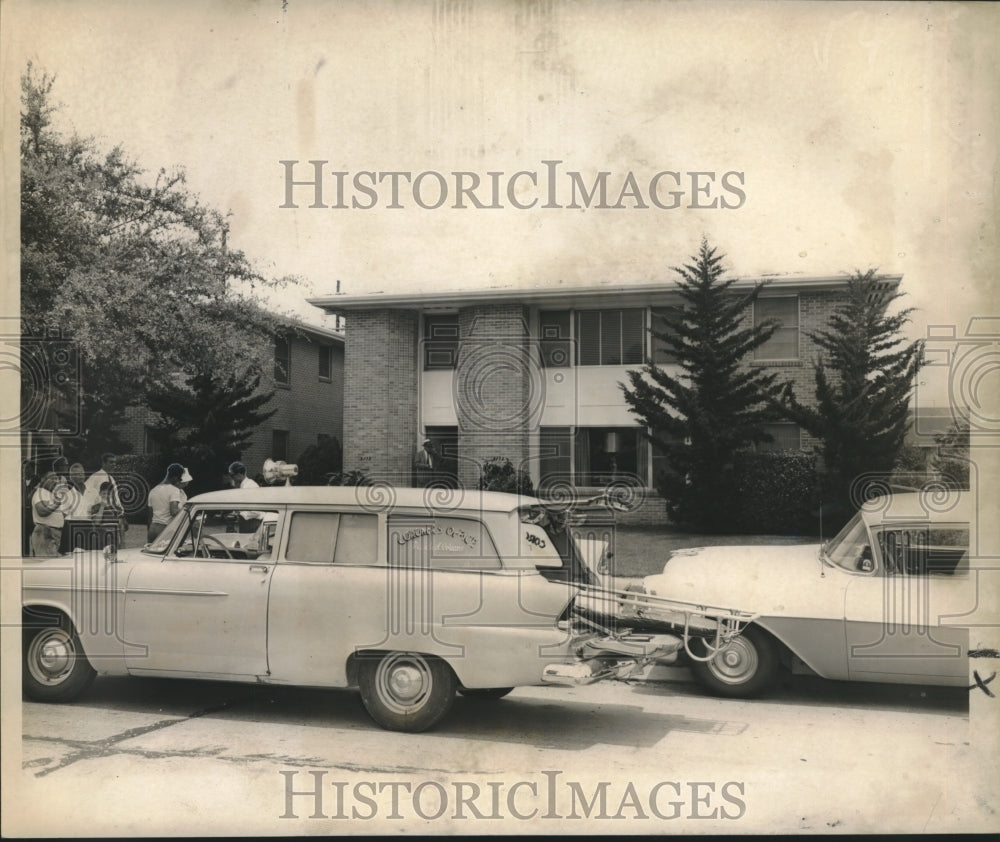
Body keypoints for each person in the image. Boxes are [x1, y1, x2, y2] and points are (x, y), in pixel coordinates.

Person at [81, 453, 128, 550]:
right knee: (103, 543)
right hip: (101, 515)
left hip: (112, 514)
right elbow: (85, 492)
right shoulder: (96, 476)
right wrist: (95, 508)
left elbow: (115, 498)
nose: (113, 465)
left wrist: (122, 514)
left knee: (115, 543)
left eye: (114, 463)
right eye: (111, 462)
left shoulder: (111, 478)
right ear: (103, 463)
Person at [146, 463, 192, 542]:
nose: (179, 481)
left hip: (152, 529)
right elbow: (173, 512)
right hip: (165, 529)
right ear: (175, 477)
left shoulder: (153, 490)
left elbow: (150, 516)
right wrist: (187, 510)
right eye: (179, 479)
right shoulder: (174, 490)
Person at [30, 469, 69, 557]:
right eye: (52, 478)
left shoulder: (50, 494)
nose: (55, 481)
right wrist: (57, 504)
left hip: (53, 533)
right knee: (45, 563)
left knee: (51, 563)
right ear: (43, 480)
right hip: (45, 532)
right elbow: (42, 511)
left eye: (56, 479)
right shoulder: (41, 492)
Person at [228, 461, 261, 533]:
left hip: (252, 523)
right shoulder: (244, 485)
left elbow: (256, 510)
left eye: (233, 476)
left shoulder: (251, 486)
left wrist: (239, 513)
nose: (233, 479)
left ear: (239, 474)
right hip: (247, 522)